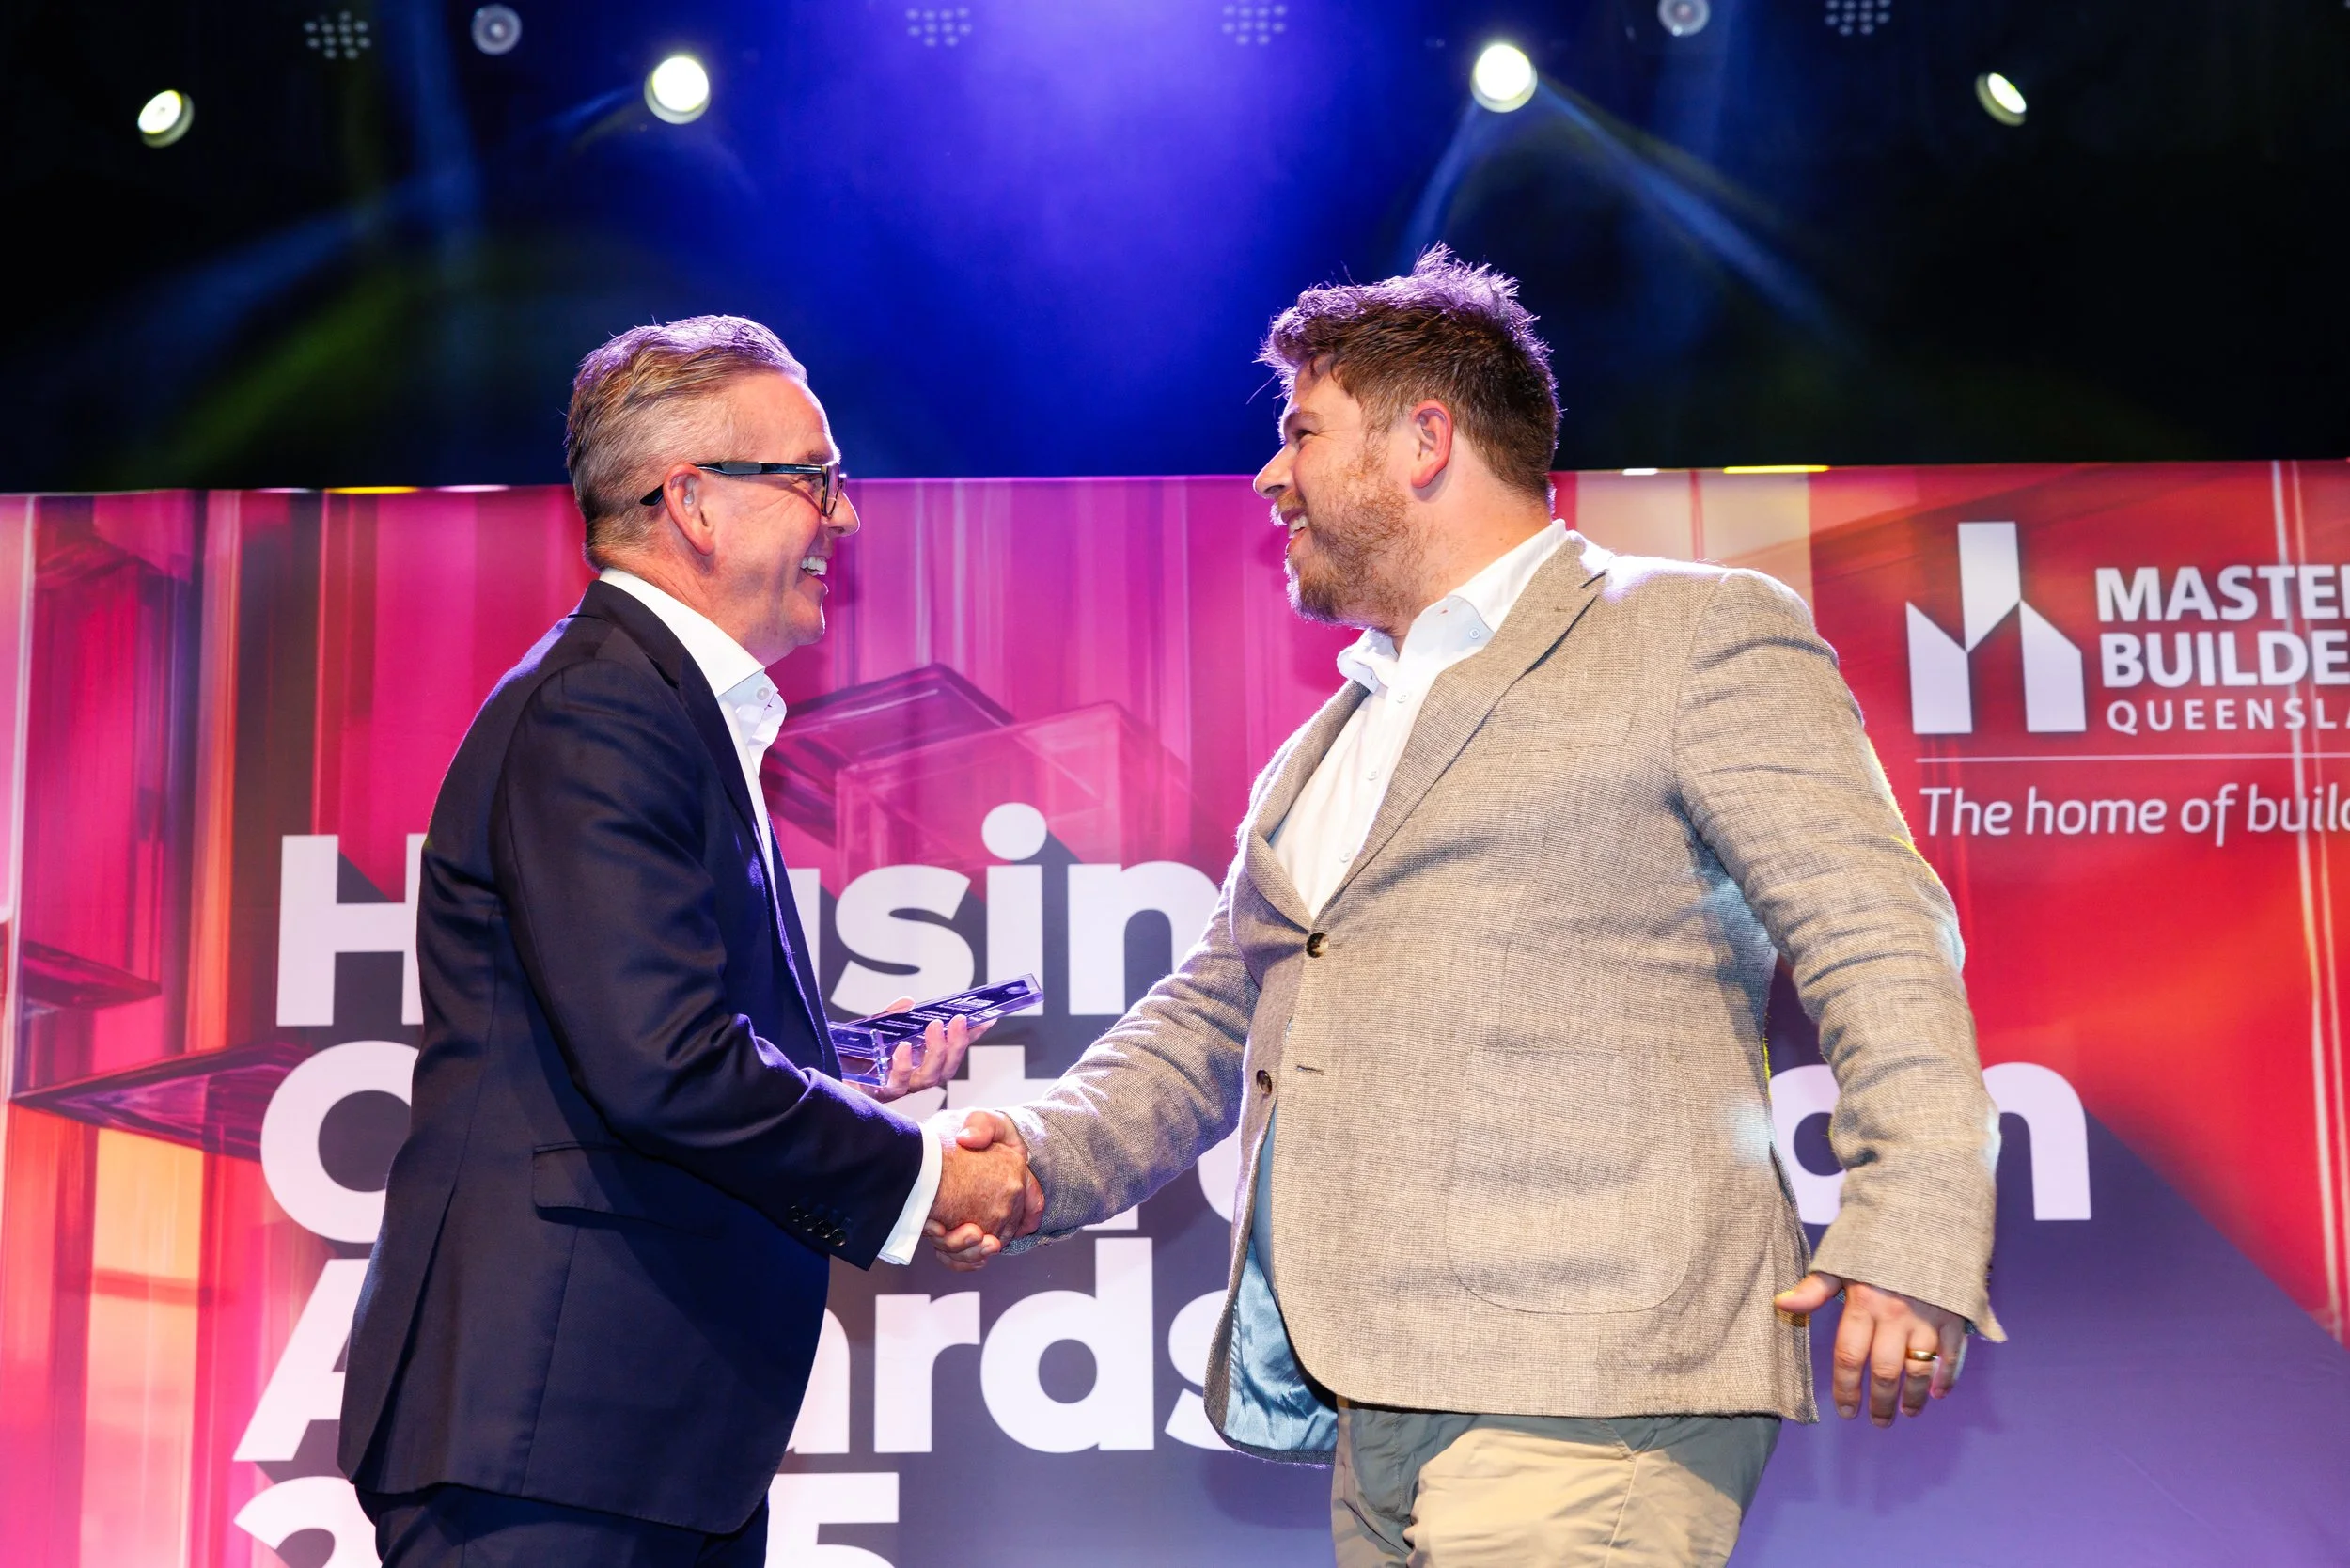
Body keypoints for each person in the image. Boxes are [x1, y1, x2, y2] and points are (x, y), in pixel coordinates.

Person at [940, 251, 2003, 1568]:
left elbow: (1876, 933)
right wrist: (1026, 1153)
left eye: (1302, 433)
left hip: (1598, 1381)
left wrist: (1913, 1226)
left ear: (1426, 441)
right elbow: (1214, 1014)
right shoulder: (1327, 745)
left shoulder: (1694, 633)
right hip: (1372, 1403)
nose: (1271, 476)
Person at [338, 315, 1035, 1567]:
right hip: (552, 1443)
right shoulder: (602, 708)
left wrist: (839, 1070)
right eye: (815, 478)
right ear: (695, 502)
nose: (844, 516)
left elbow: (619, 1034)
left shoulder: (649, 705)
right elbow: (664, 1063)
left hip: (627, 1447)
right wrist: (924, 1177)